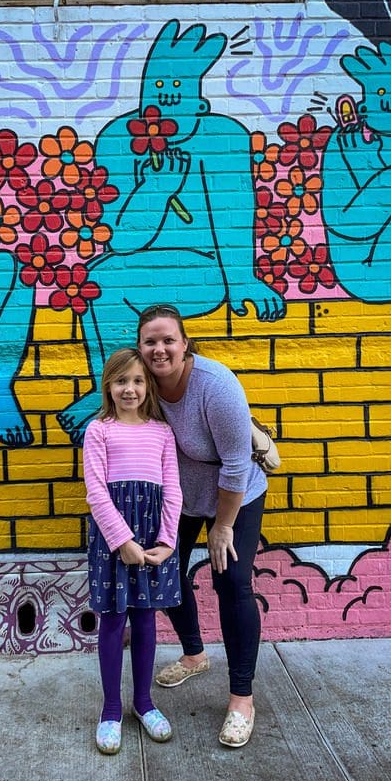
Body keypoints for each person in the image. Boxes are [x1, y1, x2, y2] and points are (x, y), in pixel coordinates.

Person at [136, 304, 267, 748]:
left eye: (168, 340)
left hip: (236, 494)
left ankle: (241, 699)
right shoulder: (143, 384)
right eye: (150, 341)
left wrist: (223, 527)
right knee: (161, 569)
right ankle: (194, 655)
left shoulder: (216, 386)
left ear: (185, 343)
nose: (159, 349)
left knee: (230, 580)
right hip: (182, 498)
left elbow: (235, 464)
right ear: (140, 347)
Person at [83, 348, 183, 755]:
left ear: (148, 387)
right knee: (113, 620)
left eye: (138, 381)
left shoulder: (161, 432)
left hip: (153, 537)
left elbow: (173, 489)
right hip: (114, 541)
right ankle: (110, 710)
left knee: (145, 620)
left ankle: (144, 704)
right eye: (122, 381)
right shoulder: (98, 430)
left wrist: (167, 541)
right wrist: (122, 542)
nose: (130, 389)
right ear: (108, 384)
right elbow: (95, 491)